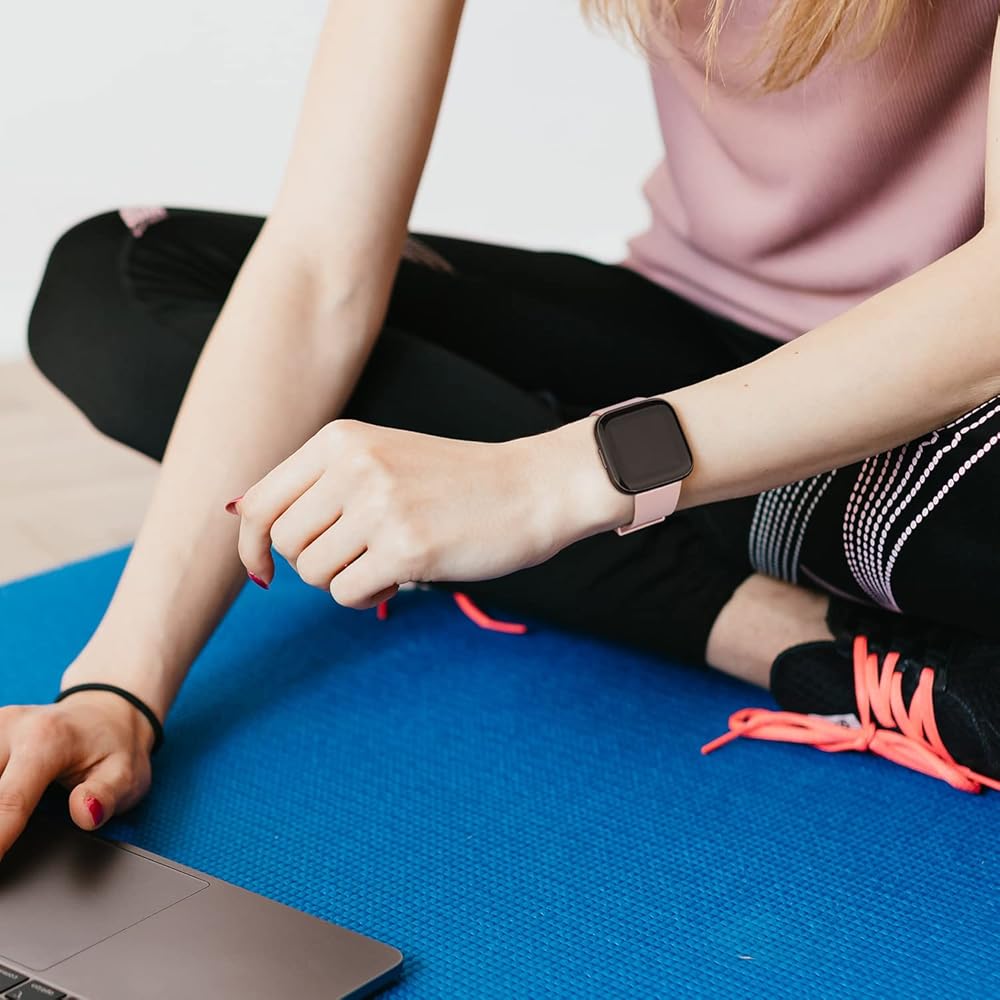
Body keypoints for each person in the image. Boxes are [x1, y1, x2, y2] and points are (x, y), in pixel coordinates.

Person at [5, 0, 1000, 859]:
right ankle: (799, 636)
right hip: (686, 341)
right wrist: (116, 690)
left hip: (951, 404)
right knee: (116, 287)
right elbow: (318, 268)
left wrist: (552, 479)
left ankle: (693, 530)